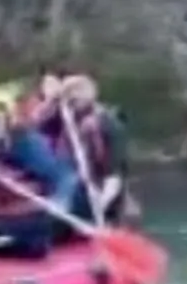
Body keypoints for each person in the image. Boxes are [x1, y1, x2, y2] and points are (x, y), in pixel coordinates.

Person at [0, 86, 78, 259]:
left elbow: (63, 176)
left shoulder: (26, 144)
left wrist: (60, 201)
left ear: (8, 120)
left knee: (33, 234)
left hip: (28, 213)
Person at [41, 75, 129, 224]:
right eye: (70, 97)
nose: (74, 99)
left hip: (100, 190)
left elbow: (114, 177)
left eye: (78, 94)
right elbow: (32, 128)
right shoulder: (62, 118)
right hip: (70, 188)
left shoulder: (109, 125)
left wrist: (101, 206)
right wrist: (50, 99)